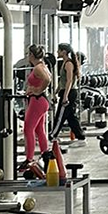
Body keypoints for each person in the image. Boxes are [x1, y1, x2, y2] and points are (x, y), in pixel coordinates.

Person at [20, 44, 66, 180]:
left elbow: (47, 79)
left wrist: (38, 90)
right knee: (39, 130)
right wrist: (34, 89)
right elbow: (47, 78)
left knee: (28, 129)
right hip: (40, 100)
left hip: (37, 100)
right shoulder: (42, 65)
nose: (27, 57)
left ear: (32, 55)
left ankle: (29, 159)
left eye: (28, 54)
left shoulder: (38, 68)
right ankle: (45, 155)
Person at [53, 43, 87, 146]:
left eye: (59, 50)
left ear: (64, 52)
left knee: (60, 116)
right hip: (66, 91)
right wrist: (55, 92)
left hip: (70, 92)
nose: (57, 52)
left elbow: (69, 81)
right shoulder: (64, 63)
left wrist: (65, 96)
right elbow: (62, 81)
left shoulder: (68, 64)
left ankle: (53, 135)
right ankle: (81, 137)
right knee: (70, 117)